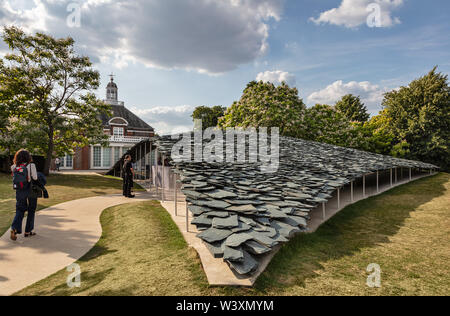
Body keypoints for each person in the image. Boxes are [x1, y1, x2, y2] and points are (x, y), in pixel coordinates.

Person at [10, 149, 38, 241]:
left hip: (20, 191)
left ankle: (14, 228)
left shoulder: (14, 166)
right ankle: (28, 231)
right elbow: (35, 177)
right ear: (28, 157)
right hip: (31, 190)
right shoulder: (31, 165)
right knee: (31, 209)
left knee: (20, 209)